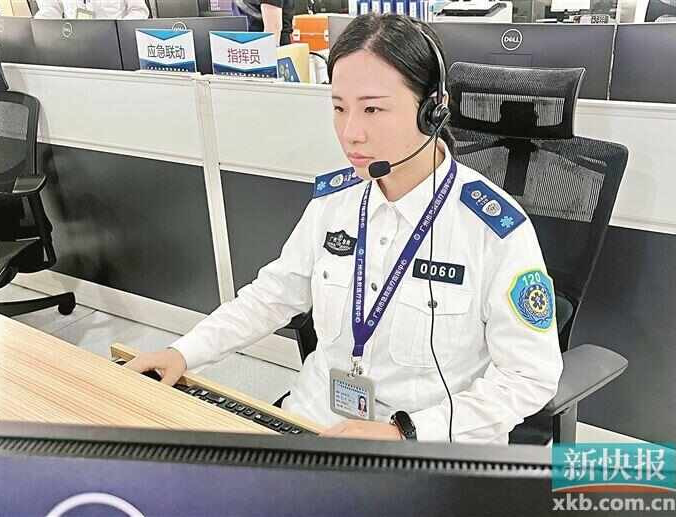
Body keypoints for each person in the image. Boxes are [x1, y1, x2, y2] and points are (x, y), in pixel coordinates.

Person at [127, 13, 563, 443]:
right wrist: (184, 352)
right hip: (316, 424)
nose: (351, 132)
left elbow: (529, 377)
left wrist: (406, 432)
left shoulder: (493, 230)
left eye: (372, 108)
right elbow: (271, 296)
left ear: (433, 111)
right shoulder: (335, 201)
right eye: (339, 107)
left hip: (425, 449)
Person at [34, 0, 149, 19]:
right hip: (74, 43)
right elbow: (50, 9)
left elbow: (139, 10)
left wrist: (120, 31)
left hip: (114, 45)